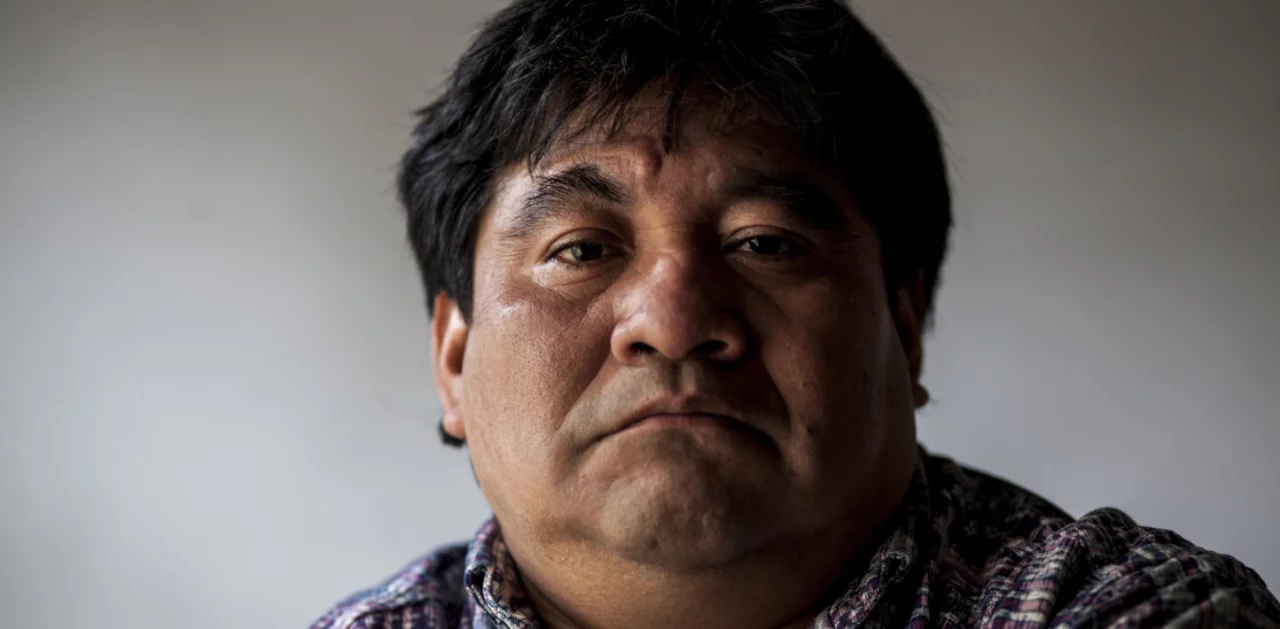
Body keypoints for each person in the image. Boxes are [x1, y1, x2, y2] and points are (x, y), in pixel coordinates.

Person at [311, 0, 1279, 627]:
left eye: (765, 243)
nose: (672, 319)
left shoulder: (1122, 610)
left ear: (905, 329)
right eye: (580, 249)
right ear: (453, 358)